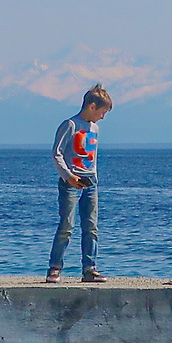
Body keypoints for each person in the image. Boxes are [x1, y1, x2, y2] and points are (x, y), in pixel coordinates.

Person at [45, 83, 112, 284]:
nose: (103, 117)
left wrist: (95, 178)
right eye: (102, 112)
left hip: (90, 182)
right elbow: (56, 154)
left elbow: (93, 157)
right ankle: (55, 268)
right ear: (91, 106)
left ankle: (89, 269)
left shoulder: (95, 129)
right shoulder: (70, 125)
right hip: (71, 182)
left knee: (91, 226)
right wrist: (68, 176)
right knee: (67, 225)